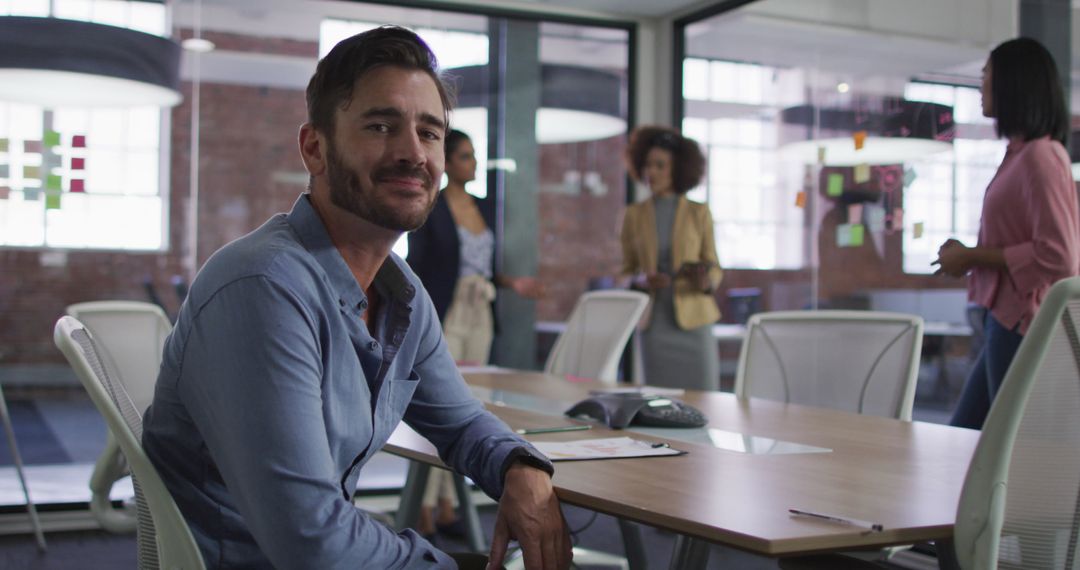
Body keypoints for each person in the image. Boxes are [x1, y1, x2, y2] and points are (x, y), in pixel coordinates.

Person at [141, 26, 571, 570]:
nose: (413, 153)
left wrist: (519, 466)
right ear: (314, 148)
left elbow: (460, 420)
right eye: (380, 125)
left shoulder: (399, 291)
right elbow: (312, 541)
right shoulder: (265, 288)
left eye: (430, 132)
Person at [933, 37, 1080, 430]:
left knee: (1004, 444)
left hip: (1021, 321)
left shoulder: (1041, 157)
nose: (981, 84)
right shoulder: (1020, 155)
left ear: (1012, 82)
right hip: (1003, 318)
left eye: (987, 74)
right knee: (967, 437)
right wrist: (967, 254)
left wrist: (973, 256)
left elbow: (1060, 256)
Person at [406, 129, 545, 539]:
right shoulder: (430, 207)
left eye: (474, 156)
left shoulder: (485, 207)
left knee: (471, 402)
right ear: (446, 160)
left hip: (481, 309)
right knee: (440, 401)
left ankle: (449, 502)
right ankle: (425, 504)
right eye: (466, 156)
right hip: (447, 312)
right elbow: (420, 265)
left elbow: (483, 265)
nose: (474, 163)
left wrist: (513, 284)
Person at [619, 126, 723, 390]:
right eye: (647, 165)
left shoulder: (698, 213)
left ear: (677, 168)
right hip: (655, 324)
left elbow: (714, 265)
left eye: (659, 165)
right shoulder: (634, 215)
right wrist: (641, 279)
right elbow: (624, 271)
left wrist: (705, 280)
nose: (650, 172)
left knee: (704, 400)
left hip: (694, 320)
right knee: (659, 400)